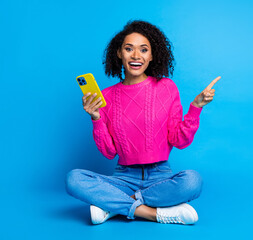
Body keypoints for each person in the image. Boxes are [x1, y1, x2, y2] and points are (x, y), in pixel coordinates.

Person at [65, 20, 220, 225]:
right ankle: (152, 213)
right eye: (129, 49)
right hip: (123, 178)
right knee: (73, 179)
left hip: (160, 177)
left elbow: (179, 140)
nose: (136, 56)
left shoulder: (166, 87)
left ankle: (113, 206)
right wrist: (96, 118)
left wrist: (196, 107)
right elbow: (109, 152)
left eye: (143, 50)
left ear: (152, 55)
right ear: (119, 53)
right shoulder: (106, 96)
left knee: (193, 181)